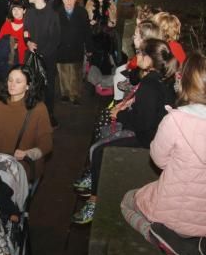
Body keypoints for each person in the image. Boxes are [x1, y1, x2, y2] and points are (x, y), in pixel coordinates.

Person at [121, 53, 206, 255]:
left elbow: (159, 159)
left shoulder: (177, 119)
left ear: (186, 83)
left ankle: (160, 236)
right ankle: (200, 241)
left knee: (128, 200)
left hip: (174, 218)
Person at [73, 39, 178, 224]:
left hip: (147, 140)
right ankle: (93, 178)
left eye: (140, 53)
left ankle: (95, 201)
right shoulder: (163, 79)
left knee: (99, 151)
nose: (136, 55)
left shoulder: (149, 86)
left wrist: (119, 115)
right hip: (157, 134)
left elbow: (142, 123)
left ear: (149, 60)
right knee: (104, 132)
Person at [0, 65, 53, 184]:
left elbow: (46, 143)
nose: (12, 84)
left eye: (18, 81)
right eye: (10, 80)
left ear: (28, 85)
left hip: (22, 167)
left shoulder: (38, 108)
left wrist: (28, 153)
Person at [23, 0, 61, 126]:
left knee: (48, 87)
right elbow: (25, 31)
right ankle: (32, 114)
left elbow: (56, 39)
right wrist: (27, 42)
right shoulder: (30, 12)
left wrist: (42, 54)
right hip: (32, 56)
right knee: (32, 85)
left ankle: (48, 114)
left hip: (47, 59)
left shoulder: (52, 14)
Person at [56, 0, 89, 105]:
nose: (69, 1)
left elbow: (87, 31)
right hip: (61, 48)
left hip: (76, 47)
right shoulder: (58, 13)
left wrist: (89, 47)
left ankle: (75, 94)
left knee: (76, 72)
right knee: (63, 72)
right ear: (62, 0)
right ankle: (65, 93)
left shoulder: (82, 12)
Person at [0, 0, 27, 80]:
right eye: (14, 9)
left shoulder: (28, 24)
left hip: (23, 61)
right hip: (8, 61)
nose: (16, 12)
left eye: (19, 9)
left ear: (24, 10)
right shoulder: (7, 24)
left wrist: (19, 44)